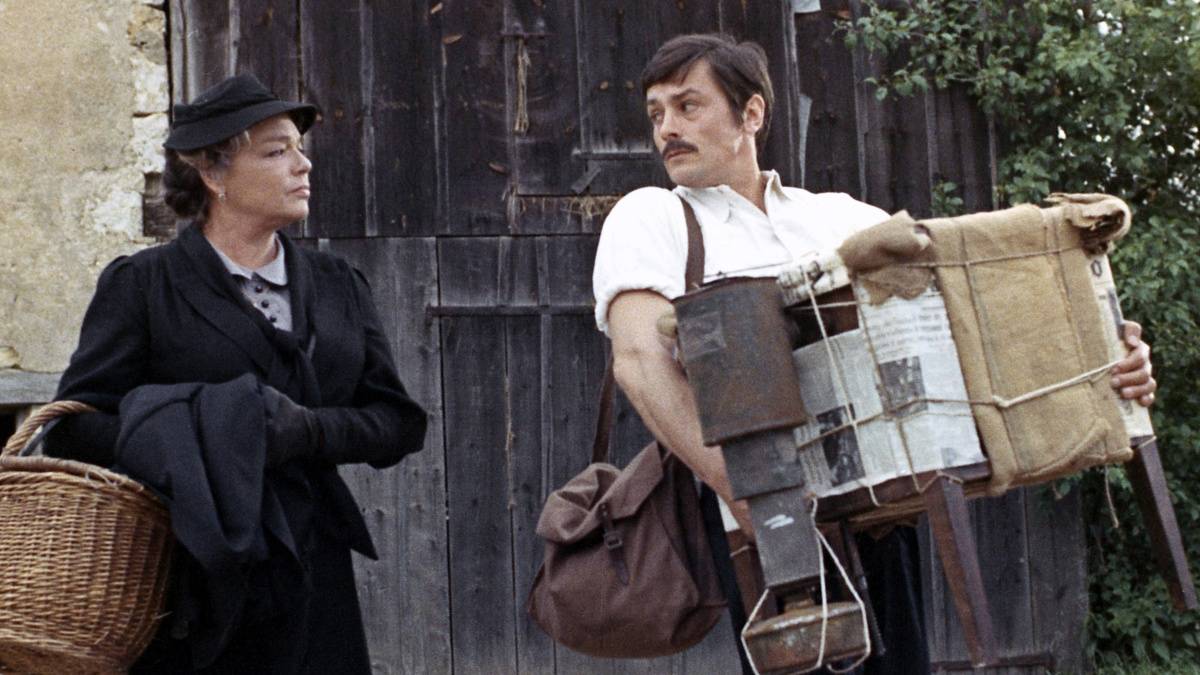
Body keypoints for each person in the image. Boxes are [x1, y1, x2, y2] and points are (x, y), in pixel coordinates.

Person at [591, 33, 1156, 673]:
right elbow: (639, 362)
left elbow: (963, 323)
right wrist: (750, 500)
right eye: (656, 113)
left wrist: (1106, 357)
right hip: (769, 529)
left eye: (688, 105)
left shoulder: (840, 218)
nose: (667, 128)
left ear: (750, 114)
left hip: (883, 511)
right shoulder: (652, 216)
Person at [45, 74, 428, 673]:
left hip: (314, 574)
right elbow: (72, 428)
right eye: (276, 151)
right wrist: (201, 429)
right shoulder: (144, 285)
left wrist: (307, 431)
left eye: (300, 148)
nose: (302, 165)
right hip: (190, 579)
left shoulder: (337, 284)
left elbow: (397, 424)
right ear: (212, 173)